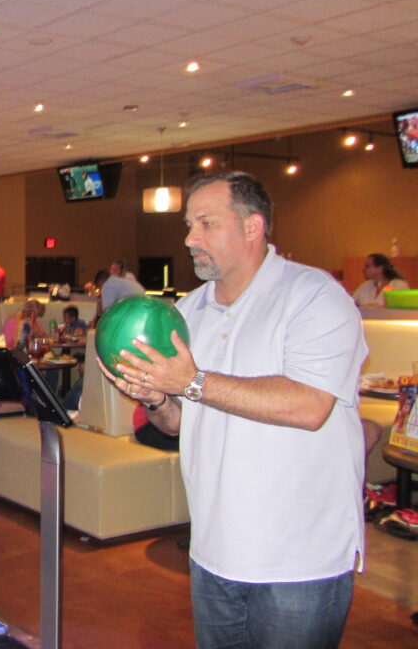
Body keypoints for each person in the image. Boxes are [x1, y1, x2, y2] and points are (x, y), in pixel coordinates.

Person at [99, 171, 366, 648]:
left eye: (205, 223)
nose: (189, 239)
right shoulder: (189, 310)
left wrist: (192, 381)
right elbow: (183, 421)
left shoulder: (315, 297)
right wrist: (155, 396)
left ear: (252, 227)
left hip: (300, 561)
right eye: (188, 225)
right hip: (213, 553)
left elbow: (310, 405)